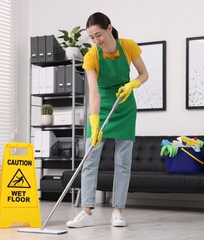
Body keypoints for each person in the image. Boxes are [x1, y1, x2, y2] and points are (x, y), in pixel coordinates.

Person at [66, 12, 149, 228]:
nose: (96, 41)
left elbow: (143, 74)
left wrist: (133, 85)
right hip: (101, 107)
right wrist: (94, 125)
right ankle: (86, 210)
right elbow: (93, 93)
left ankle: (117, 211)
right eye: (92, 37)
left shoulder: (128, 46)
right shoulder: (92, 56)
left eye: (99, 35)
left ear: (109, 28)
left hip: (125, 107)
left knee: (123, 161)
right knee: (90, 159)